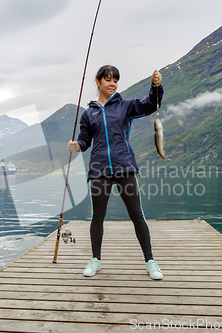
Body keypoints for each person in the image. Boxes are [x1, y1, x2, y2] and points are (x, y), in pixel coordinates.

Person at [67, 65, 164, 280]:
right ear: (98, 81)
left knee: (137, 215)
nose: (112, 84)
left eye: (115, 80)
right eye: (108, 80)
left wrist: (156, 87)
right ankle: (96, 260)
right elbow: (85, 141)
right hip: (99, 169)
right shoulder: (88, 114)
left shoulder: (126, 106)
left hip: (124, 166)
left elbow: (150, 105)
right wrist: (77, 146)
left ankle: (150, 261)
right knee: (97, 216)